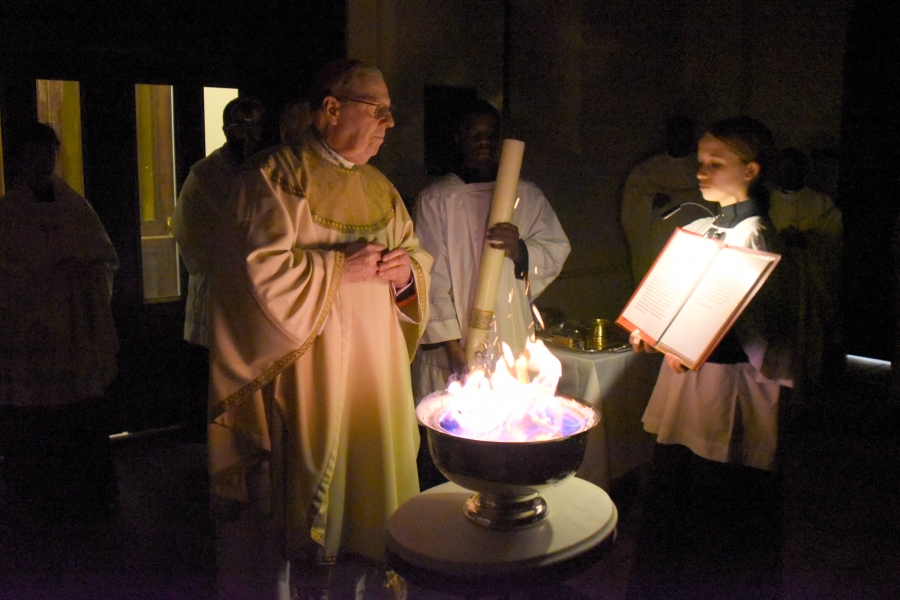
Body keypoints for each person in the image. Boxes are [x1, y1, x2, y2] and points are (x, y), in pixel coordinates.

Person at [206, 60, 431, 599]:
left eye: (390, 113)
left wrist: (408, 273)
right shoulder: (275, 177)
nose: (389, 123)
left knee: (374, 496)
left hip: (375, 377)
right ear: (330, 109)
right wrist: (337, 269)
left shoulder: (383, 189)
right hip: (309, 375)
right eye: (378, 110)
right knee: (310, 499)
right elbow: (248, 275)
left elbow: (416, 257)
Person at [626, 117, 792, 600]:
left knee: (717, 506)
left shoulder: (756, 236)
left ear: (752, 171)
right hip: (689, 384)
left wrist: (686, 345)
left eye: (715, 163)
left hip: (727, 391)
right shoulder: (701, 225)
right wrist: (653, 328)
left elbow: (755, 333)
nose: (702, 171)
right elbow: (678, 298)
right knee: (677, 494)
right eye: (700, 162)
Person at [412, 99, 570, 400]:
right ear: (459, 139)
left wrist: (521, 250)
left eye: (490, 135)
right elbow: (430, 274)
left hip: (509, 331)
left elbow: (555, 249)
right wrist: (454, 350)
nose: (484, 142)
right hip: (454, 342)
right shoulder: (437, 199)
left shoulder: (526, 195)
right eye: (475, 134)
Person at [0, 122, 119, 520]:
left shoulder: (76, 207)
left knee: (79, 419)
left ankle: (87, 501)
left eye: (51, 153)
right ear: (19, 160)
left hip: (75, 333)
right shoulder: (8, 213)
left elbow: (106, 259)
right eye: (35, 153)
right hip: (31, 340)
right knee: (35, 424)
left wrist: (84, 273)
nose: (45, 161)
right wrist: (44, 277)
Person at [171, 96, 266, 441]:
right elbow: (189, 230)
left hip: (255, 287)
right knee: (213, 366)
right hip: (217, 285)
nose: (247, 133)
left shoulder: (264, 169)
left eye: (254, 125)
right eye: (240, 125)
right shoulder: (205, 175)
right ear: (225, 129)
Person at [769, 148, 843, 408]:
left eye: (793, 168)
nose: (788, 173)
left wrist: (805, 240)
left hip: (807, 286)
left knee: (804, 342)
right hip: (774, 285)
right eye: (783, 168)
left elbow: (833, 238)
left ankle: (803, 398)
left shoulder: (821, 203)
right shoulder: (765, 201)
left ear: (803, 170)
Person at [621, 115, 717, 286]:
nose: (681, 138)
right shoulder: (647, 170)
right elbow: (632, 208)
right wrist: (651, 201)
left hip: (696, 243)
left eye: (685, 134)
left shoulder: (702, 168)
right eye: (676, 133)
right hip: (660, 241)